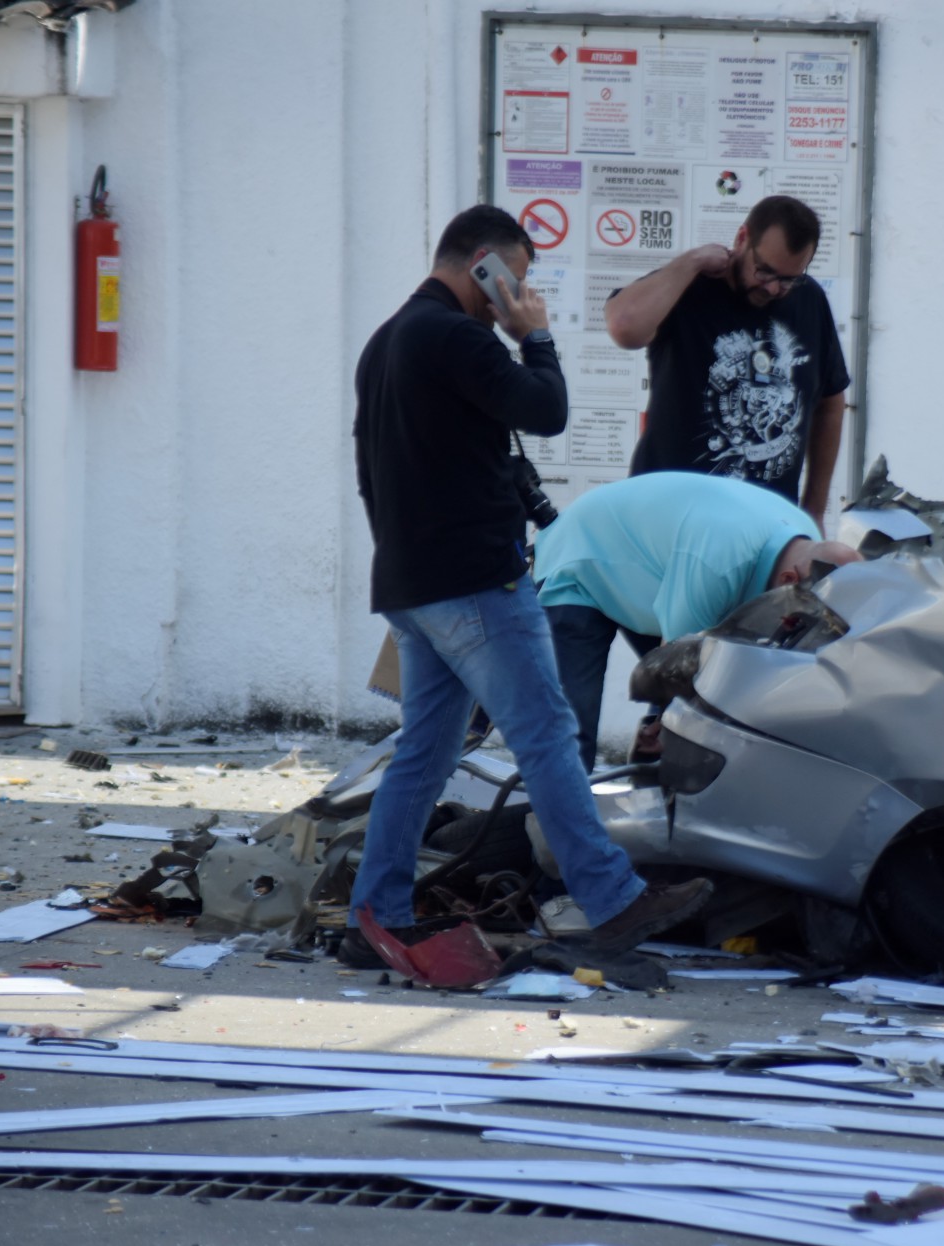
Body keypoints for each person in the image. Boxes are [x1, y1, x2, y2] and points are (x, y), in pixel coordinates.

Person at [347, 204, 710, 967]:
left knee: (424, 753)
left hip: (414, 585)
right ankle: (612, 899)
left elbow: (369, 471)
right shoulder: (452, 334)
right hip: (476, 580)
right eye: (516, 277)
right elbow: (546, 411)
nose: (516, 292)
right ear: (485, 262)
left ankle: (375, 912)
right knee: (546, 733)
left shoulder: (387, 341)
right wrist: (534, 334)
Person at [534, 472, 863, 772]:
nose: (796, 628)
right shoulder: (717, 567)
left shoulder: (800, 537)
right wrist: (668, 720)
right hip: (582, 556)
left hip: (650, 567)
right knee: (573, 734)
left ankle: (648, 808)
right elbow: (670, 666)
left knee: (687, 712)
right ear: (788, 579)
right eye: (802, 619)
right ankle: (556, 833)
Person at [604, 195, 849, 531]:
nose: (775, 288)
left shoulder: (809, 299)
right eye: (764, 271)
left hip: (764, 529)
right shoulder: (688, 287)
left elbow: (831, 403)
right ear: (742, 238)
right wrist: (691, 261)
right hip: (668, 520)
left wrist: (815, 510)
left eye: (790, 278)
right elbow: (624, 328)